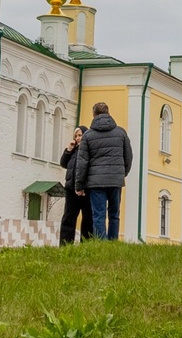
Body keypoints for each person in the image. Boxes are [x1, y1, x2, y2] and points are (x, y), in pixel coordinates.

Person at [78, 101, 133, 242]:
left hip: (95, 182)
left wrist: (79, 184)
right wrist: (122, 173)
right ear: (108, 113)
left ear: (93, 115)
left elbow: (82, 162)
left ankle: (101, 243)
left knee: (98, 214)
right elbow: (128, 156)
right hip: (115, 180)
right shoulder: (121, 133)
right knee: (114, 213)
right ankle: (113, 242)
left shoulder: (88, 136)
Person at [56, 126, 88, 245]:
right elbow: (63, 163)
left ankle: (86, 244)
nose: (78, 138)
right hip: (71, 188)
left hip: (85, 189)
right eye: (76, 136)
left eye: (80, 135)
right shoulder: (73, 151)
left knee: (87, 218)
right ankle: (65, 244)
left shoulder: (88, 149)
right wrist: (68, 150)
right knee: (68, 217)